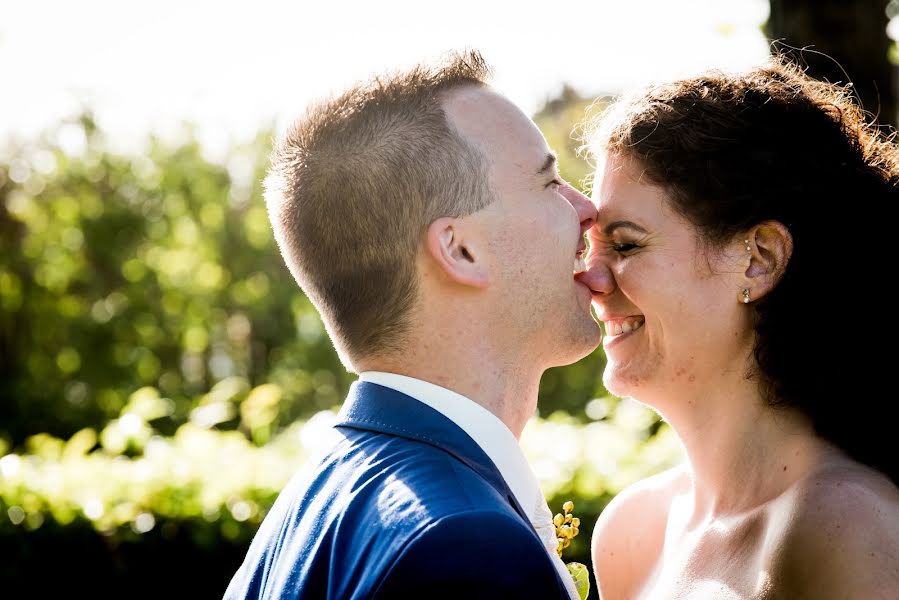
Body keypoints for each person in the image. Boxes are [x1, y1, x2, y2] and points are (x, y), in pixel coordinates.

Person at [222, 50, 600, 600]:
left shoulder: (304, 509)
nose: (586, 207)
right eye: (549, 183)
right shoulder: (465, 544)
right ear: (461, 249)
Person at [577, 55, 899, 599]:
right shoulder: (631, 532)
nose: (591, 277)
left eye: (626, 243)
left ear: (760, 258)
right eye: (589, 246)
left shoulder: (845, 526)